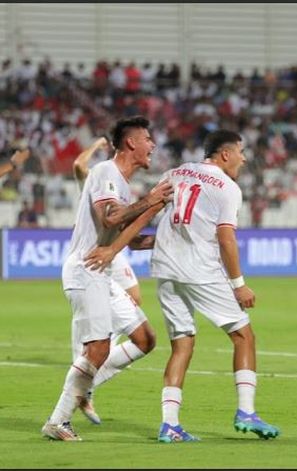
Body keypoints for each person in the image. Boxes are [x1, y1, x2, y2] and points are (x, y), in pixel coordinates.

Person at [84, 130, 280, 443]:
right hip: (200, 269)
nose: (244, 158)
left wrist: (117, 247)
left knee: (182, 344)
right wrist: (239, 285)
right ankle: (246, 412)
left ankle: (170, 425)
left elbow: (145, 213)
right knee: (244, 335)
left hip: (164, 270)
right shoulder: (228, 188)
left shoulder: (175, 173)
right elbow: (227, 238)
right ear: (224, 154)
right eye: (241, 151)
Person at [41, 116, 172, 441]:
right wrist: (152, 200)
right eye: (147, 138)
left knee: (145, 339)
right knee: (97, 348)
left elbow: (131, 237)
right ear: (131, 143)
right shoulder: (105, 172)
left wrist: (172, 237)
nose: (152, 145)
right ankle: (58, 421)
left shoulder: (122, 186)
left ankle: (82, 386)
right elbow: (111, 216)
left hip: (100, 272)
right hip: (86, 269)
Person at [68, 136, 146, 425]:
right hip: (94, 251)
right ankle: (83, 380)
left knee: (134, 299)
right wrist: (97, 145)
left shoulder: (118, 186)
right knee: (92, 333)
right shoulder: (96, 179)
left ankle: (88, 380)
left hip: (114, 251)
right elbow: (78, 164)